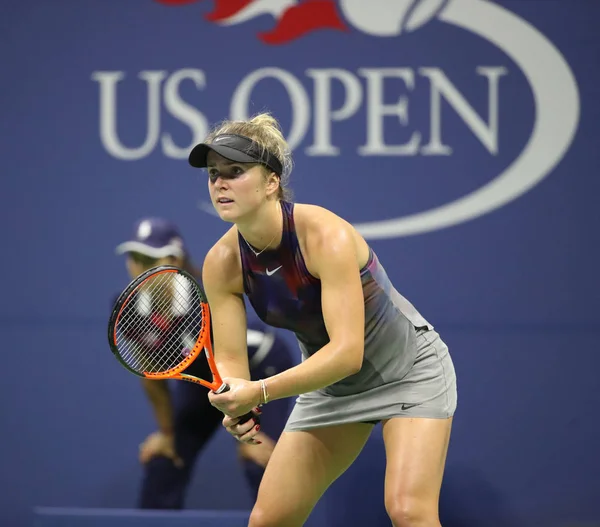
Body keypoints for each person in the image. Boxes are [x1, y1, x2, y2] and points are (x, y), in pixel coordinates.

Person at [187, 113, 458, 527]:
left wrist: (257, 392)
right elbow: (232, 363)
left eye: (236, 171)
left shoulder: (324, 235)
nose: (220, 183)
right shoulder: (221, 264)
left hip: (409, 372)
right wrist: (235, 404)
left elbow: (348, 353)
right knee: (268, 521)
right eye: (213, 174)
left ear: (271, 181)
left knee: (409, 511)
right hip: (330, 389)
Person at [114, 217, 295, 509]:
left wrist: (249, 433)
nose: (137, 267)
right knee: (165, 459)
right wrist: (167, 434)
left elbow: (231, 368)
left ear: (174, 260)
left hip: (259, 370)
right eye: (133, 257)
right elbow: (149, 373)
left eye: (148, 259)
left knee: (258, 461)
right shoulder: (128, 308)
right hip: (205, 385)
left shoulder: (203, 303)